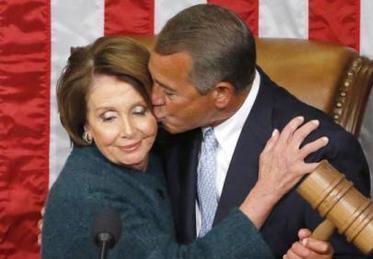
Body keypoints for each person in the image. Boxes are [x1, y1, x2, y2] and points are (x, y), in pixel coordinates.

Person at [41, 36, 328, 258]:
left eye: (139, 110)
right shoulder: (88, 195)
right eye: (108, 117)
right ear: (85, 127)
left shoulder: (160, 146)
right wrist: (266, 191)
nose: (128, 131)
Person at [150, 4, 373, 258]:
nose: (153, 99)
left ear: (221, 94)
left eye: (168, 92)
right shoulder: (158, 131)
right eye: (154, 83)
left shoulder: (319, 150)